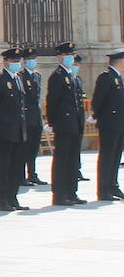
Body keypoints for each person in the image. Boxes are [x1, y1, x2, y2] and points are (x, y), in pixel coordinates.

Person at [0, 48, 30, 212]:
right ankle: (1, 200)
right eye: (13, 61)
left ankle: (12, 197)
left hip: (18, 129)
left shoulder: (19, 79)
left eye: (18, 61)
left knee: (16, 166)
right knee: (3, 166)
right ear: (5, 62)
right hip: (4, 129)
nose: (16, 64)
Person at [44, 42, 86, 206]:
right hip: (64, 123)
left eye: (71, 54)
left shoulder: (73, 76)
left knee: (73, 159)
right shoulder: (58, 76)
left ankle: (71, 192)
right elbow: (52, 101)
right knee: (62, 159)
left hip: (75, 123)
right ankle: (60, 194)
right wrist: (52, 121)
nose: (70, 57)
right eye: (67, 55)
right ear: (60, 56)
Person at [91, 48, 124, 202]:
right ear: (121, 61)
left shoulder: (118, 78)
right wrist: (98, 117)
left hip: (119, 124)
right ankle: (103, 190)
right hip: (109, 124)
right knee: (107, 157)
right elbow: (98, 101)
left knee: (116, 157)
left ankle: (112, 185)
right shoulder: (106, 77)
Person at [20, 48, 47, 188]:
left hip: (36, 116)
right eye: (29, 59)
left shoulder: (37, 75)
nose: (32, 61)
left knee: (34, 147)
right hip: (26, 116)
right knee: (25, 147)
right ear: (24, 61)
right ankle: (21, 175)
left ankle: (32, 173)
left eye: (34, 58)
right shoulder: (21, 75)